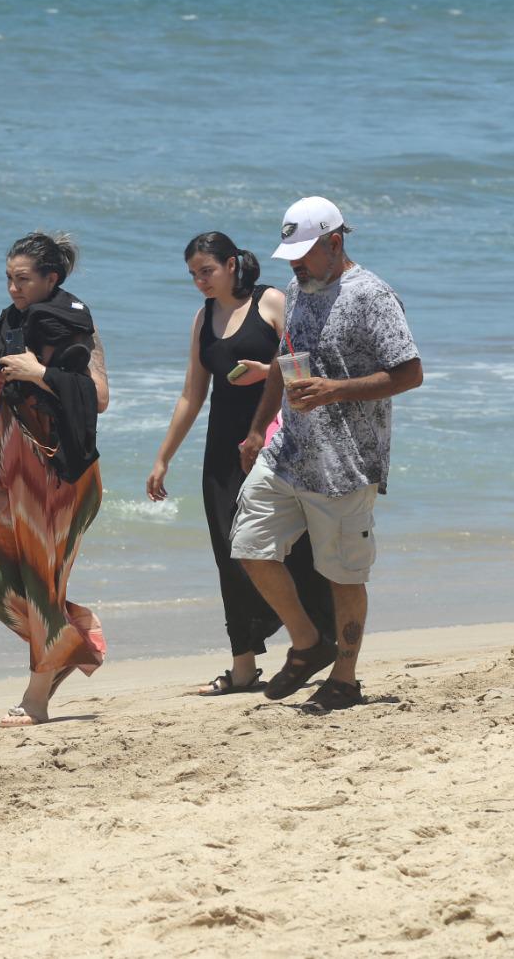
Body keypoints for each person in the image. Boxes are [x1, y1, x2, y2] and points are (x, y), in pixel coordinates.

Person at [231, 196, 422, 711]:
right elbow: (283, 358)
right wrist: (255, 431)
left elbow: (409, 373)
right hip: (288, 451)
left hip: (347, 463)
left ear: (335, 243)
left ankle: (345, 678)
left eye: (304, 252)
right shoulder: (297, 287)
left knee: (343, 575)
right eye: (290, 253)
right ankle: (309, 643)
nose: (294, 263)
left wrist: (334, 389)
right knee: (249, 546)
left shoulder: (373, 296)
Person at [146, 232, 334, 695]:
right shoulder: (204, 316)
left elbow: (307, 363)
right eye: (193, 275)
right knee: (230, 551)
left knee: (292, 549)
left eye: (207, 271)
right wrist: (162, 458)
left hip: (278, 440)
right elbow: (193, 394)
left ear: (232, 264)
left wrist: (267, 372)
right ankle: (244, 666)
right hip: (223, 448)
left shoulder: (270, 301)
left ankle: (313, 642)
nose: (200, 282)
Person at [0, 232, 109, 726]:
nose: (12, 288)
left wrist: (40, 372)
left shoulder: (77, 329)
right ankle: (74, 636)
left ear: (52, 278)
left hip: (60, 475)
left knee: (43, 586)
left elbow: (100, 397)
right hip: (8, 472)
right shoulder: (6, 326)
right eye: (8, 278)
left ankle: (36, 698)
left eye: (22, 279)